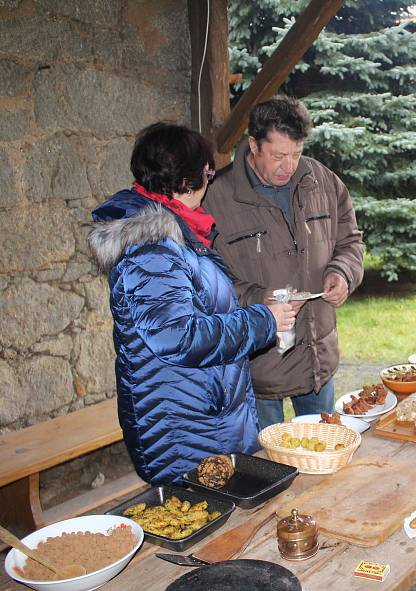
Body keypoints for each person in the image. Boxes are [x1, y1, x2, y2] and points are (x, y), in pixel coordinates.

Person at [87, 122, 295, 484]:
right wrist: (264, 321)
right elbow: (178, 337)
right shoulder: (150, 250)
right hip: (183, 428)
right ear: (189, 179)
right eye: (208, 173)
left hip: (205, 416)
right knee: (203, 525)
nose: (210, 181)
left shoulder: (179, 235)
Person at [204, 95, 364, 429]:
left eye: (296, 153)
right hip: (256, 367)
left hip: (315, 358)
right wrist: (256, 299)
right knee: (267, 467)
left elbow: (350, 241)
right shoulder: (217, 198)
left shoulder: (323, 182)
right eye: (278, 155)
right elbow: (207, 280)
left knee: (323, 451)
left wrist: (342, 272)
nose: (289, 166)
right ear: (253, 145)